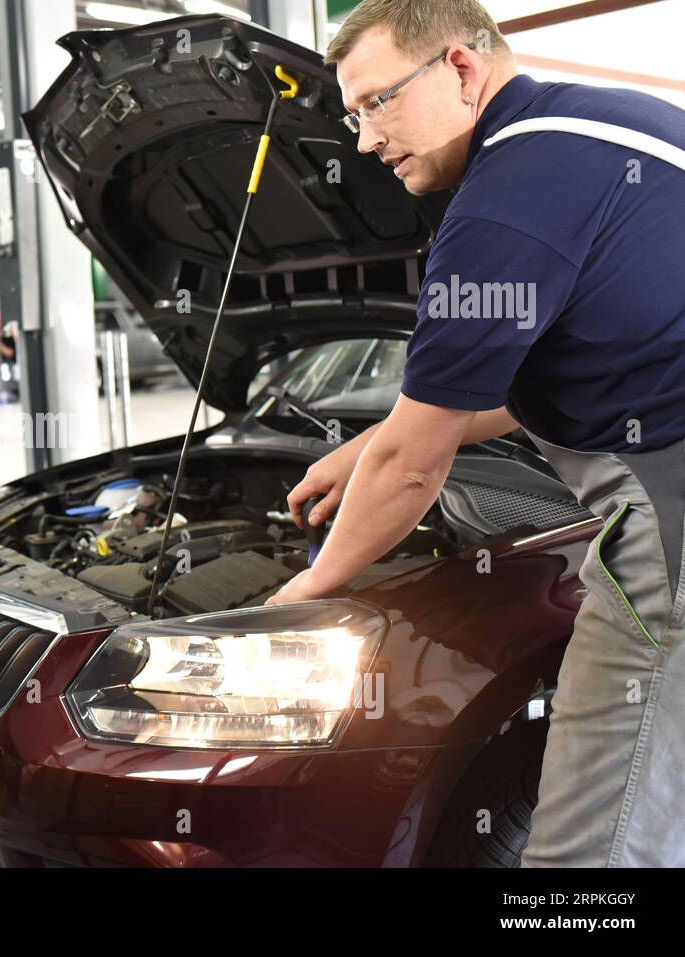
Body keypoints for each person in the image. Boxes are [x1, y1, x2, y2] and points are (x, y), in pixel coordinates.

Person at [265, 0, 685, 867]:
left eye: (377, 102)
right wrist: (386, 432)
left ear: (460, 69)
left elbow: (413, 469)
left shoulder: (501, 207)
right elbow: (575, 354)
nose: (364, 140)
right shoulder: (607, 125)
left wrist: (306, 594)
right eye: (352, 115)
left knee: (590, 837)